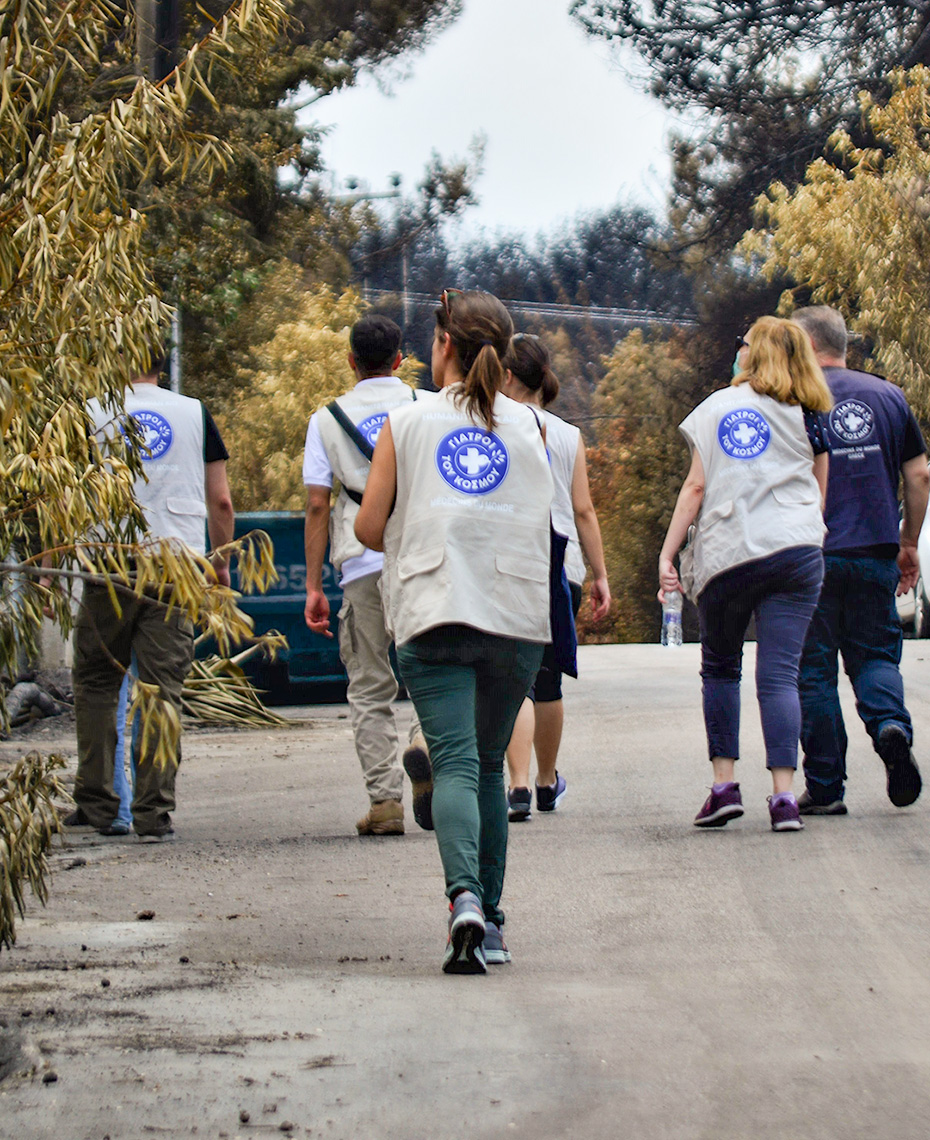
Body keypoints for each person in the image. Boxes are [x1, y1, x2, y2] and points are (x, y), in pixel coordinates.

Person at [354, 289, 553, 974]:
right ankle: (491, 923)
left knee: (458, 764)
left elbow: (369, 528)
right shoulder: (535, 428)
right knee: (490, 767)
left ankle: (462, 898)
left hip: (434, 610)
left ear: (443, 346)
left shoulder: (406, 425)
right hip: (514, 615)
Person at [658, 316, 833, 832]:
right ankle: (783, 799)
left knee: (721, 667)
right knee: (780, 674)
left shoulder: (716, 408)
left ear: (752, 355)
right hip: (796, 551)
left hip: (730, 553)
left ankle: (724, 786)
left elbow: (695, 489)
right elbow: (820, 493)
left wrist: (668, 555)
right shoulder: (809, 412)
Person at [69, 349, 234, 840]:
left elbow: (66, 492)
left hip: (109, 561)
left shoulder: (92, 411)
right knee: (162, 688)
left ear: (115, 361)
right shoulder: (194, 412)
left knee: (98, 681)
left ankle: (98, 804)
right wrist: (220, 563)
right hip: (177, 564)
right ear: (162, 363)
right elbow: (220, 498)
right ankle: (152, 812)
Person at [792, 306, 929, 814]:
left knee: (815, 672)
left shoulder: (794, 401)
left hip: (812, 557)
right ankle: (890, 725)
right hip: (875, 553)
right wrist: (908, 541)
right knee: (874, 656)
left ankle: (826, 788)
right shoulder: (889, 396)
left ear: (806, 346)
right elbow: (919, 476)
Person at [303, 315, 417, 836]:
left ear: (351, 361)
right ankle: (423, 744)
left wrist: (312, 586)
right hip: (420, 559)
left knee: (370, 684)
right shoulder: (424, 406)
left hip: (359, 561)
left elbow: (317, 507)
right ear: (400, 360)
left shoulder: (326, 419)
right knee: (433, 672)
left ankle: (385, 801)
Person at [497, 334, 611, 821]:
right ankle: (547, 781)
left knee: (513, 681)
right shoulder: (567, 434)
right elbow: (583, 510)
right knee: (548, 682)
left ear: (505, 376)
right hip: (561, 566)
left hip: (513, 561)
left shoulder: (496, 427)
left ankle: (518, 784)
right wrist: (601, 574)